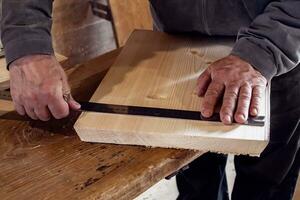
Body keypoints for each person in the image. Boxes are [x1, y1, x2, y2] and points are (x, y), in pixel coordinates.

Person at [1, 0, 299, 199]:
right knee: (196, 181)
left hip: (280, 47)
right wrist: (28, 46)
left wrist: (264, 51)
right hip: (176, 43)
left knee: (266, 185)